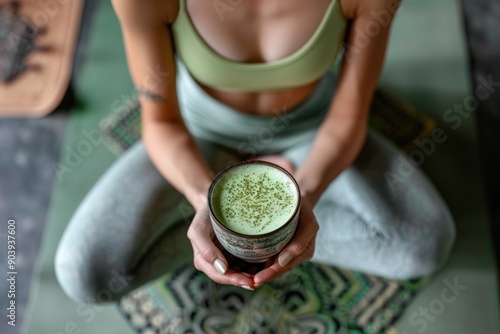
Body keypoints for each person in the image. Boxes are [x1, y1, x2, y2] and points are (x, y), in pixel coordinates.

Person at [55, 0, 455, 303]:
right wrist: (204, 202)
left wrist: (304, 196)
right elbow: (161, 123)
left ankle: (266, 236)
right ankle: (221, 239)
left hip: (313, 131)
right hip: (199, 135)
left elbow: (349, 115)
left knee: (424, 244)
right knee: (83, 274)